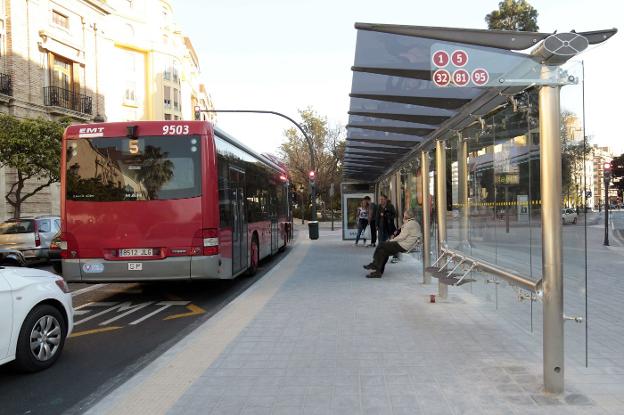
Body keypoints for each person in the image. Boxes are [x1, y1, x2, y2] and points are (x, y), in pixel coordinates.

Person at [363, 209, 421, 278]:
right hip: (404, 244)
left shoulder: (409, 224)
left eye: (404, 215)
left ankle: (374, 264)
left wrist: (391, 241)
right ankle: (378, 272)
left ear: (406, 216)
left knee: (381, 245)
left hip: (403, 245)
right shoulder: (413, 223)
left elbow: (402, 237)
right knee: (383, 252)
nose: (403, 216)